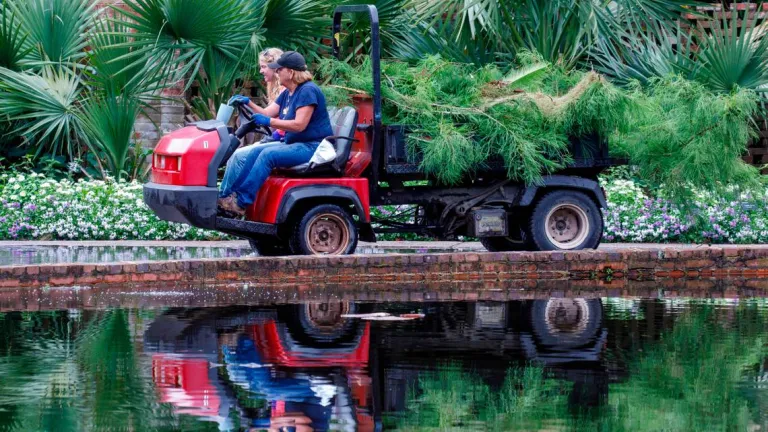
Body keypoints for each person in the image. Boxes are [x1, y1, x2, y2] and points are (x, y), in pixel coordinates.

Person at [218, 51, 333, 217]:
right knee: (256, 151)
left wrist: (270, 123)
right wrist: (248, 102)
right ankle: (231, 198)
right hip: (294, 144)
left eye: (279, 69)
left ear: (291, 72)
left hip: (312, 146)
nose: (276, 73)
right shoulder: (288, 92)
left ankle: (241, 202)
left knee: (268, 155)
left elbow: (299, 125)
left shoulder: (308, 91)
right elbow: (267, 114)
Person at [218, 47, 285, 200]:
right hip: (275, 136)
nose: (261, 71)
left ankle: (226, 197)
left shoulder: (284, 90)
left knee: (238, 157)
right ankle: (228, 195)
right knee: (239, 155)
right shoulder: (276, 89)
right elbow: (268, 113)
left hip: (281, 139)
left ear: (275, 67)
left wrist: (248, 103)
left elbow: (268, 116)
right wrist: (247, 103)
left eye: (263, 67)